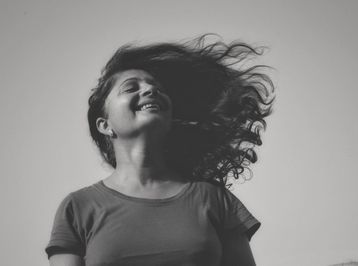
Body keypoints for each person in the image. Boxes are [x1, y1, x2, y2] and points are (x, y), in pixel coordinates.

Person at [45, 34, 275, 266]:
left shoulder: (214, 199)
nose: (150, 90)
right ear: (105, 125)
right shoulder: (78, 207)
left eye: (157, 88)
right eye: (130, 88)